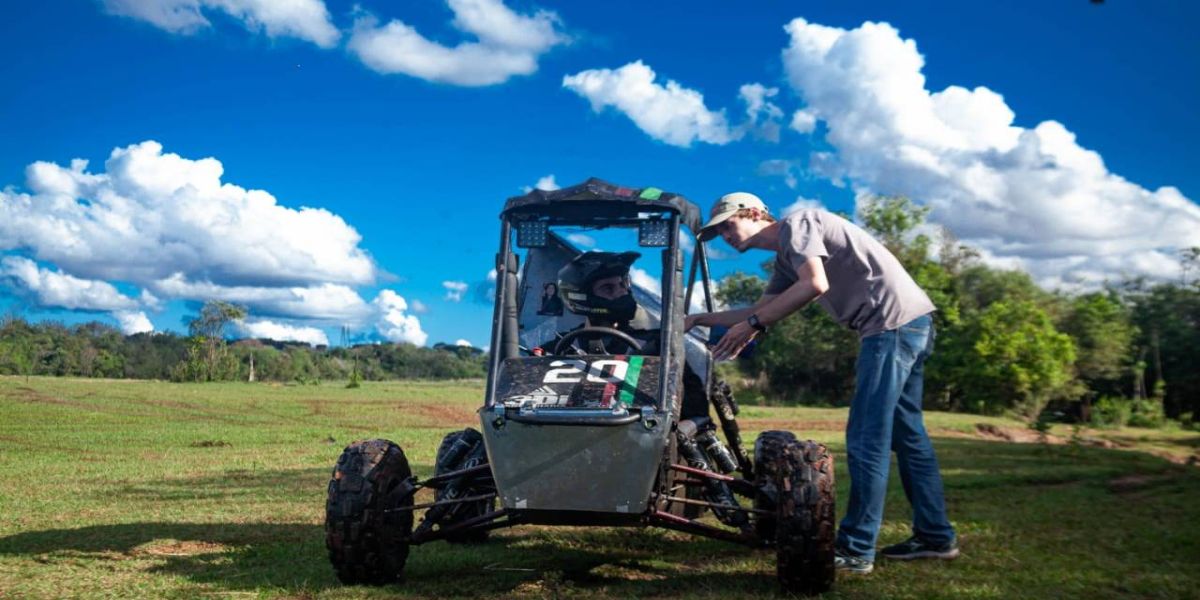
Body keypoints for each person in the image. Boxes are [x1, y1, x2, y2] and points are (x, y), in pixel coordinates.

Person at [685, 192, 958, 574]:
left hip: (890, 327)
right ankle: (935, 536)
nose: (725, 236)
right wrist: (699, 320)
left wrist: (753, 326)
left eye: (728, 225)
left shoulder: (800, 224)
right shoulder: (784, 258)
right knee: (909, 438)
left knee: (867, 438)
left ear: (755, 213)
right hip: (910, 323)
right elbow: (760, 310)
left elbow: (814, 284)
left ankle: (856, 548)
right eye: (718, 233)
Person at [534, 251, 708, 419]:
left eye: (623, 284)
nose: (622, 292)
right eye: (608, 288)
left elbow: (696, 413)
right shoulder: (556, 350)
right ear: (579, 295)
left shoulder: (656, 346)